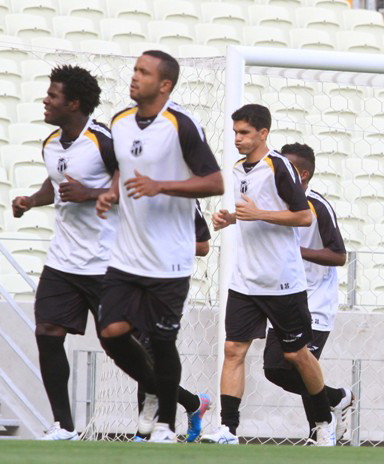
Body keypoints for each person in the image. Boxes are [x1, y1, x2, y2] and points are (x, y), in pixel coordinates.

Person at [96, 50, 224, 443]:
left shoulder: (181, 125)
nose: (134, 77)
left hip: (169, 259)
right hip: (127, 255)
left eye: (144, 72)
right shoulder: (119, 122)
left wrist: (160, 185)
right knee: (111, 331)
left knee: (163, 341)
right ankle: (156, 388)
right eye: (135, 70)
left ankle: (166, 423)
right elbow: (121, 166)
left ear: (164, 84)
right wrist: (111, 193)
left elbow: (215, 181)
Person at [204, 104, 338, 446]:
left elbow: (302, 217)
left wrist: (258, 213)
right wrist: (231, 218)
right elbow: (254, 214)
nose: (238, 138)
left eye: (245, 132)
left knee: (296, 355)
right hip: (245, 280)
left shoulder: (278, 166)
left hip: (282, 281)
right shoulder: (236, 170)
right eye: (235, 132)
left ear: (263, 133)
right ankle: (228, 429)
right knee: (233, 349)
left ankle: (324, 418)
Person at [11, 65, 116, 440]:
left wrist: (90, 194)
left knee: (118, 344)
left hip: (106, 263)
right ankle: (64, 426)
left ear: (73, 103)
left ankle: (182, 400)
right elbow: (55, 184)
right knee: (47, 332)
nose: (45, 100)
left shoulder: (105, 140)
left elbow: (133, 184)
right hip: (62, 261)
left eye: (53, 95)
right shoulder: (51, 143)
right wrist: (31, 200)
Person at [262, 142, 354, 444]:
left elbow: (339, 255)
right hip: (282, 299)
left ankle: (320, 427)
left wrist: (298, 250)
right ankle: (337, 398)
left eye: (285, 168)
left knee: (303, 364)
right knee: (274, 369)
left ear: (302, 174)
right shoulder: (272, 205)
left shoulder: (318, 206)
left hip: (315, 302)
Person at [132, 201, 213, 443]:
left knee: (149, 352)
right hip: (135, 284)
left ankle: (146, 432)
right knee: (140, 357)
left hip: (170, 285)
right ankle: (192, 403)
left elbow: (202, 246)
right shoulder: (132, 189)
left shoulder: (184, 196)